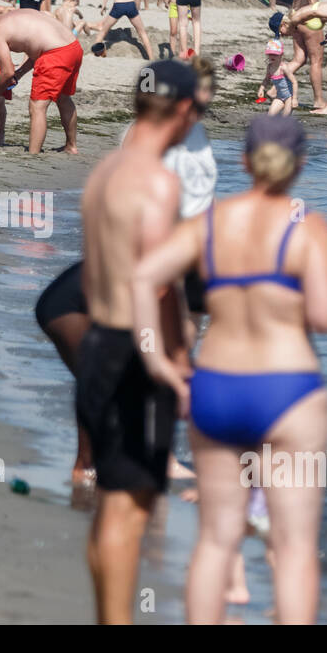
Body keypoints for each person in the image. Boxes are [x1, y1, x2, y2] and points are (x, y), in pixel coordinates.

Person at [132, 114, 327, 624]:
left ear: (243, 161)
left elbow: (143, 276)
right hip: (288, 390)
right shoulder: (305, 224)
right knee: (294, 550)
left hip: (218, 388)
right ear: (302, 163)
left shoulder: (209, 222)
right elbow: (326, 316)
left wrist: (155, 358)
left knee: (215, 540)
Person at [77, 61, 202, 623]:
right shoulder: (157, 182)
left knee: (110, 508)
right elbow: (152, 282)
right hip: (134, 353)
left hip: (99, 345)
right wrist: (168, 361)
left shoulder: (105, 171)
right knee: (130, 515)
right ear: (181, 111)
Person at [0, 7, 81, 154]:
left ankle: (33, 154)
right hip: (73, 48)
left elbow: (7, 71)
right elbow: (35, 50)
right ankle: (71, 146)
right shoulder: (16, 17)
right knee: (63, 98)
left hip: (54, 54)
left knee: (37, 106)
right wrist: (19, 74)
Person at [258, 38, 295, 115]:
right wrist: (261, 89)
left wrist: (294, 99)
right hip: (279, 97)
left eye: (275, 54)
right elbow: (266, 79)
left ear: (281, 55)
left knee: (285, 120)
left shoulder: (283, 67)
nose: (272, 56)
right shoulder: (270, 67)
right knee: (270, 116)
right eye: (270, 54)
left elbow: (294, 82)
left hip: (289, 97)